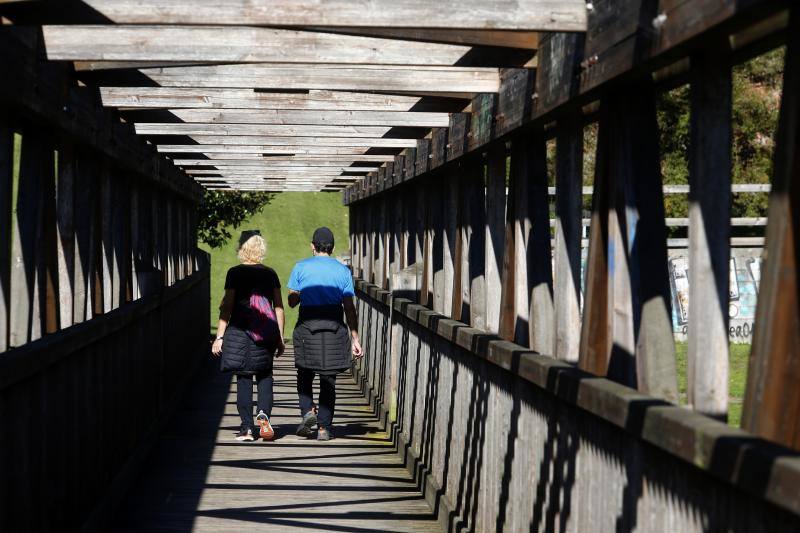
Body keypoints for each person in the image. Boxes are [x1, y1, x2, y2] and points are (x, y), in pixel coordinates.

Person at [288, 227, 363, 441]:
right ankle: (323, 428)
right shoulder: (343, 271)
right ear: (332, 248)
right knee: (328, 379)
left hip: (307, 326)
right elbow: (349, 307)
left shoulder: (301, 267)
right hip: (334, 326)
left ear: (313, 246)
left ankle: (307, 411)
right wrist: (355, 338)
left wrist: (301, 293)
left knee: (304, 372)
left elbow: (292, 302)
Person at [212, 230, 285, 442]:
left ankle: (247, 428)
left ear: (241, 247)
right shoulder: (270, 274)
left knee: (244, 378)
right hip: (265, 333)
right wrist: (279, 337)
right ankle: (264, 414)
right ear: (261, 248)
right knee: (265, 375)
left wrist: (219, 337)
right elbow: (279, 307)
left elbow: (227, 307)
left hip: (240, 331)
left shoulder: (234, 273)